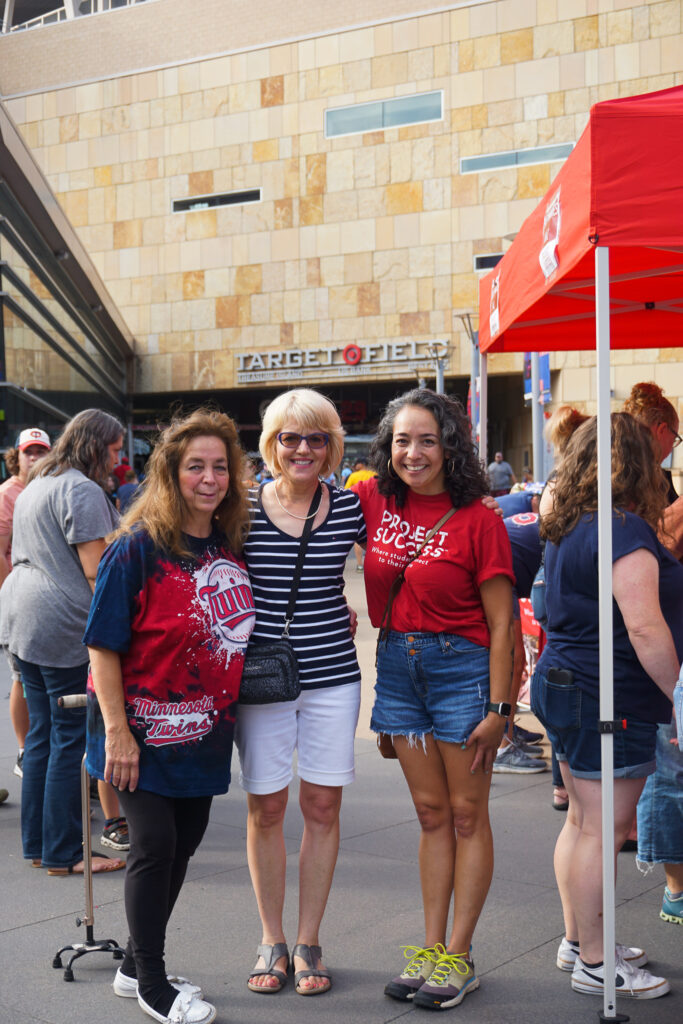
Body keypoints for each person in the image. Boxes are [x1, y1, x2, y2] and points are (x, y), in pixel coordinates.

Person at [85, 409, 253, 1024]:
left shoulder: (229, 544)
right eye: (195, 466)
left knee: (183, 847)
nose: (208, 478)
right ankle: (153, 984)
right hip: (139, 732)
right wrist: (117, 733)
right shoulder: (136, 548)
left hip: (205, 733)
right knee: (154, 846)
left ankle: (134, 963)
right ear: (171, 472)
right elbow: (102, 645)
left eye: (219, 467)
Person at [353, 388, 514, 1011]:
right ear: (387, 448)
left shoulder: (480, 519)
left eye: (427, 440)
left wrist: (500, 711)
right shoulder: (371, 499)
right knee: (429, 813)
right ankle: (430, 947)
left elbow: (503, 626)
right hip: (397, 666)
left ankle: (461, 954)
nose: (413, 452)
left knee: (468, 814)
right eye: (402, 440)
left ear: (450, 446)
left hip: (463, 673)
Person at [531, 413, 679, 1000]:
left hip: (570, 684)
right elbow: (644, 627)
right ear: (640, 463)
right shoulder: (623, 528)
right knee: (600, 829)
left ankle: (582, 941)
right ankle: (594, 959)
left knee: (583, 823)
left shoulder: (571, 521)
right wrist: (681, 694)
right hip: (605, 692)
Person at [238, 388, 366, 998]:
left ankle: (309, 937)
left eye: (316, 438)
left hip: (333, 676)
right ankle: (272, 937)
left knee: (322, 808)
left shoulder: (349, 508)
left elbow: (401, 564)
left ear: (332, 445)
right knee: (265, 807)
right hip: (261, 677)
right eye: (290, 437)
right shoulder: (239, 509)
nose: (303, 449)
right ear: (271, 444)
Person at [0, 410, 125, 875]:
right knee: (68, 738)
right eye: (114, 450)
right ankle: (65, 852)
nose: (117, 460)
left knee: (41, 736)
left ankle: (39, 846)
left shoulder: (38, 482)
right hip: (60, 622)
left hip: (23, 615)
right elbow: (96, 571)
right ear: (95, 446)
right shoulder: (81, 488)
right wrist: (119, 635)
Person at [0, 428, 51, 779]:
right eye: (28, 452)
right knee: (21, 675)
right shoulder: (8, 493)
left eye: (40, 452)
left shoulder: (42, 487)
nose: (34, 458)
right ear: (15, 456)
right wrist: (11, 594)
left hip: (44, 601)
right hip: (18, 598)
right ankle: (23, 749)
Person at [623, 381, 679, 503]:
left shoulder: (610, 468)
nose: (671, 449)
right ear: (662, 430)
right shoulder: (638, 479)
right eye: (674, 439)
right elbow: (646, 521)